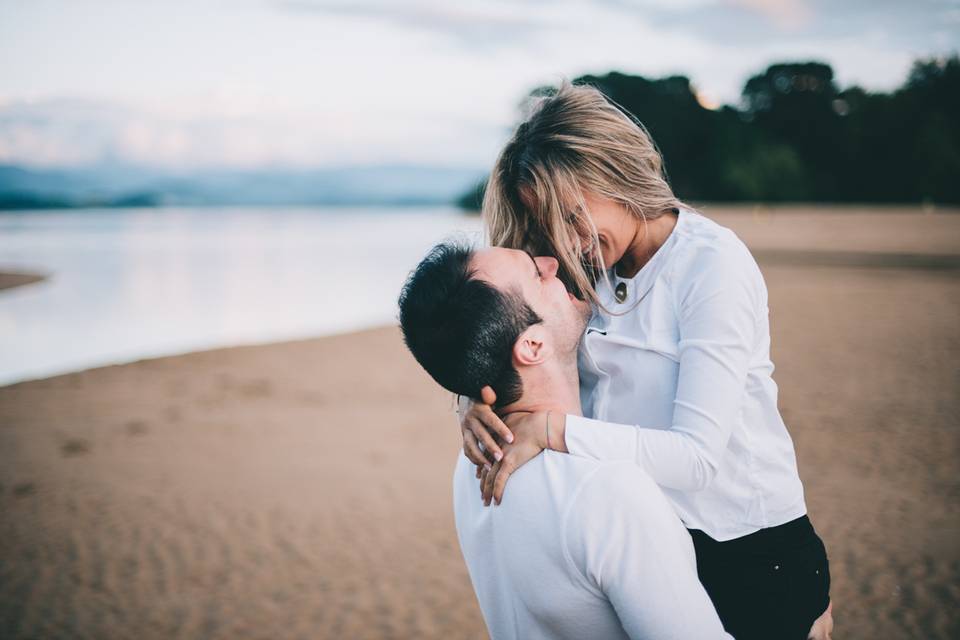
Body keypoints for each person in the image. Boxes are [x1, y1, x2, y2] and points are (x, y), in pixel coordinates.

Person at [458, 82, 833, 640]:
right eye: (549, 223)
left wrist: (552, 431)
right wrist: (473, 403)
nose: (569, 240)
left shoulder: (711, 265)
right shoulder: (589, 265)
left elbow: (697, 460)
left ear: (613, 171)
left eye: (571, 213)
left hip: (751, 551)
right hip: (658, 545)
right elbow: (522, 340)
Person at [398, 241, 732, 639]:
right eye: (537, 275)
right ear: (532, 346)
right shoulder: (607, 491)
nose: (552, 263)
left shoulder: (473, 465)